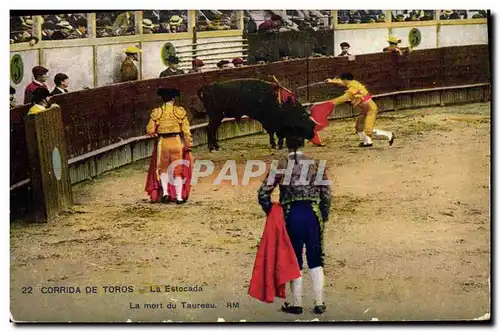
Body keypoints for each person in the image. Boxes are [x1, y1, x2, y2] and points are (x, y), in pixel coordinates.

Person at [258, 134, 332, 315]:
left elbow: (262, 193)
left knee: (294, 258)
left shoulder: (281, 164)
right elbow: (327, 193)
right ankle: (319, 302)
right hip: (312, 213)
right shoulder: (315, 163)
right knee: (316, 257)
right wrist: (323, 214)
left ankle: (297, 304)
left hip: (291, 214)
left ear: (287, 145)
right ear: (303, 143)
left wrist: (273, 212)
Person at [145, 88, 193, 204]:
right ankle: (179, 198)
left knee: (163, 169)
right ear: (173, 99)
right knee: (177, 170)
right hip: (176, 141)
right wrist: (188, 144)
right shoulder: (179, 111)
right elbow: (186, 131)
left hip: (163, 143)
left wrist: (155, 132)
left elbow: (150, 129)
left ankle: (166, 193)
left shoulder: (157, 112)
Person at [325, 72, 395, 147]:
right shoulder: (353, 82)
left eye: (342, 80)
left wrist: (329, 103)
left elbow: (342, 99)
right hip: (365, 109)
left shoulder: (352, 88)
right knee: (359, 127)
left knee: (368, 130)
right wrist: (332, 81)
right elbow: (343, 82)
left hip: (371, 109)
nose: (342, 82)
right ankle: (368, 142)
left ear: (345, 79)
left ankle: (388, 134)